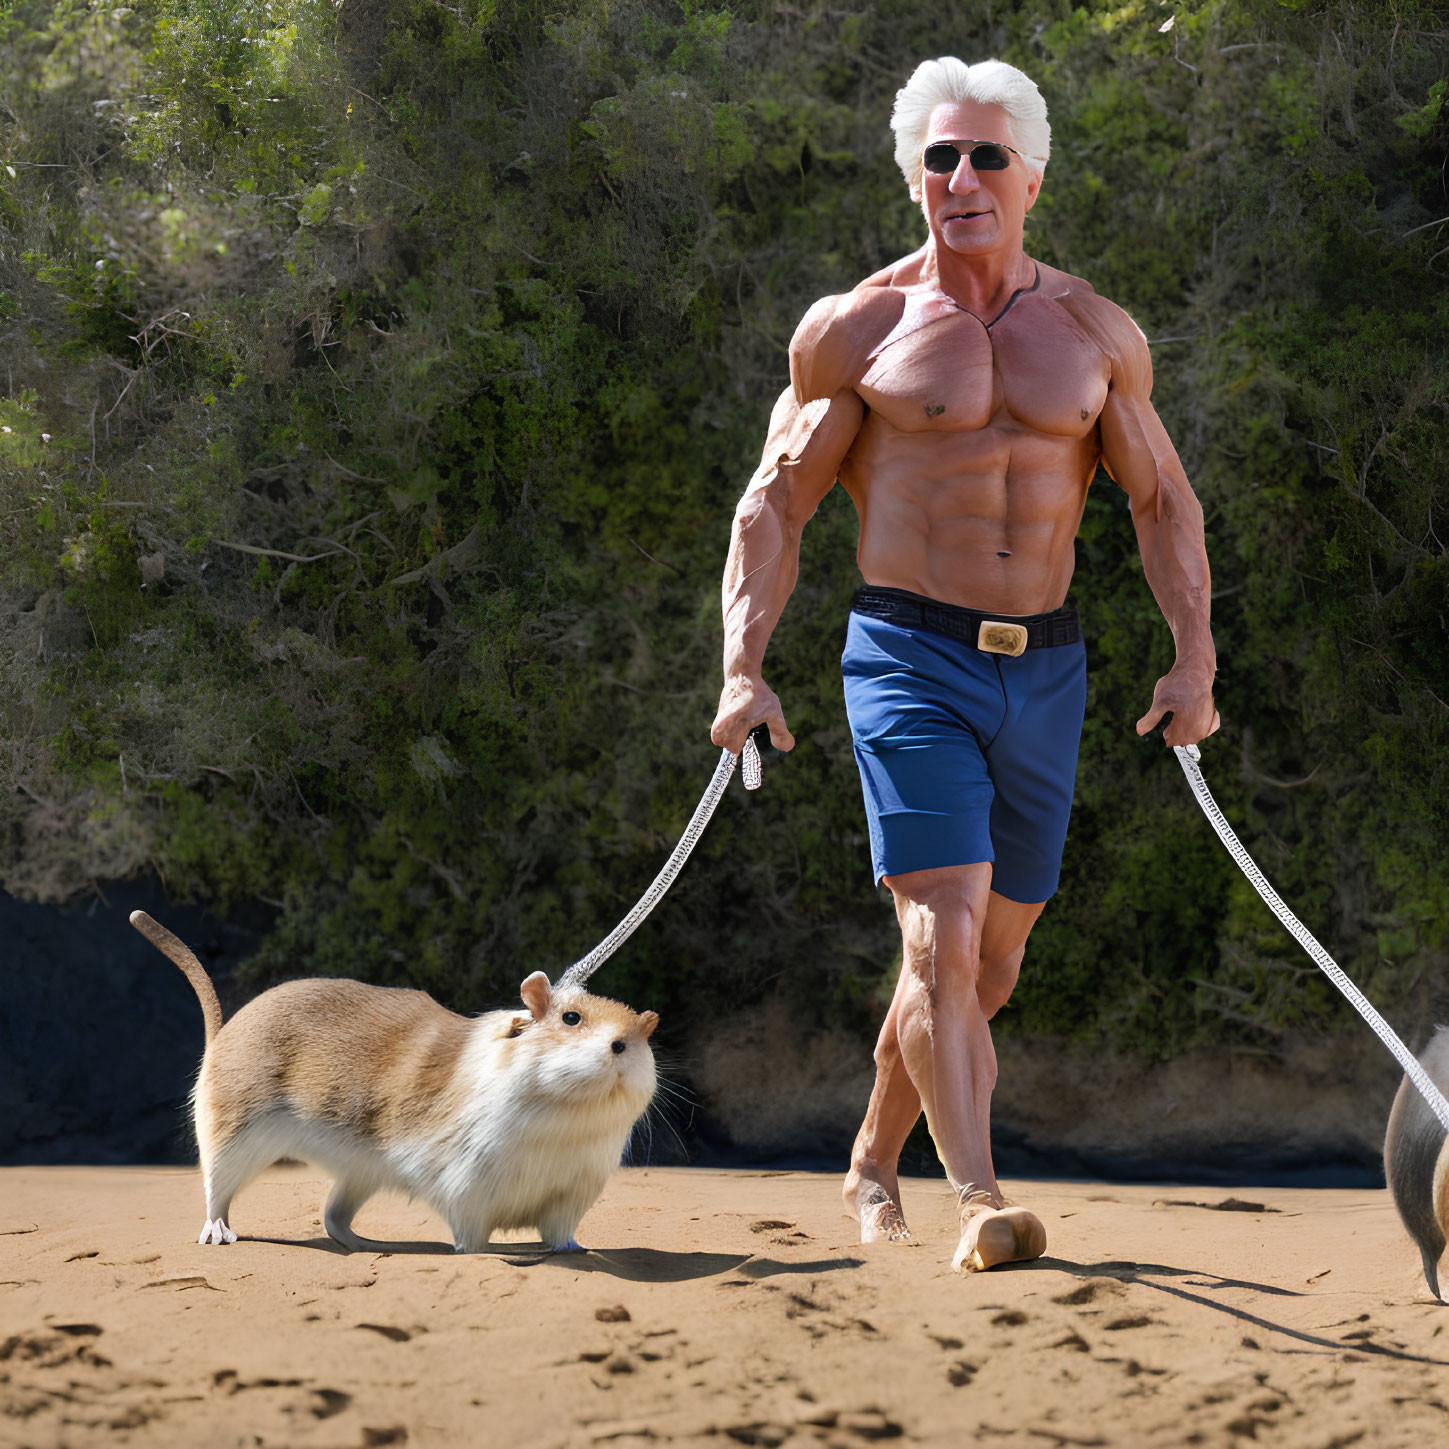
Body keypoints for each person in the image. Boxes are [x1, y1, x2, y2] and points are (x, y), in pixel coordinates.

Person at [710, 56, 1220, 1273]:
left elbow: (1162, 507)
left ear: (1031, 176)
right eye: (939, 157)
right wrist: (744, 665)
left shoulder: (1096, 332)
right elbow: (774, 506)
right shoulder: (860, 329)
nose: (961, 176)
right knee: (939, 927)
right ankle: (982, 1196)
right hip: (907, 655)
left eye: (986, 155)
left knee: (986, 965)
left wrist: (1193, 658)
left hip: (1048, 671)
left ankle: (871, 1162)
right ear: (912, 179)